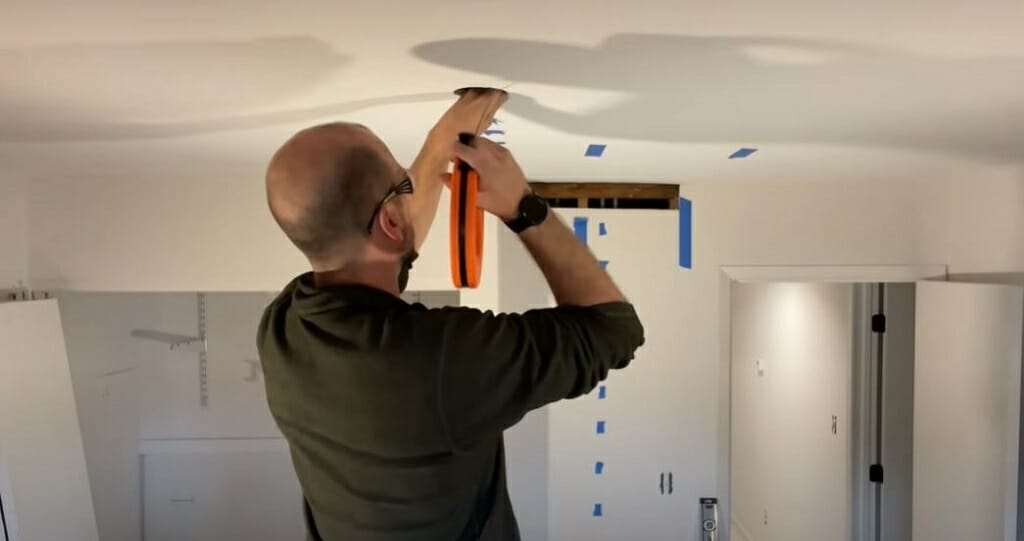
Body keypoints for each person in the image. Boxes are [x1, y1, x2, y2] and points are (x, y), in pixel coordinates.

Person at [258, 88, 645, 541]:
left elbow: (389, 253)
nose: (410, 183)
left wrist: (439, 144)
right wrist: (524, 207)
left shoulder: (285, 326)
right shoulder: (441, 359)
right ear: (390, 221)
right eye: (404, 180)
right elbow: (613, 328)